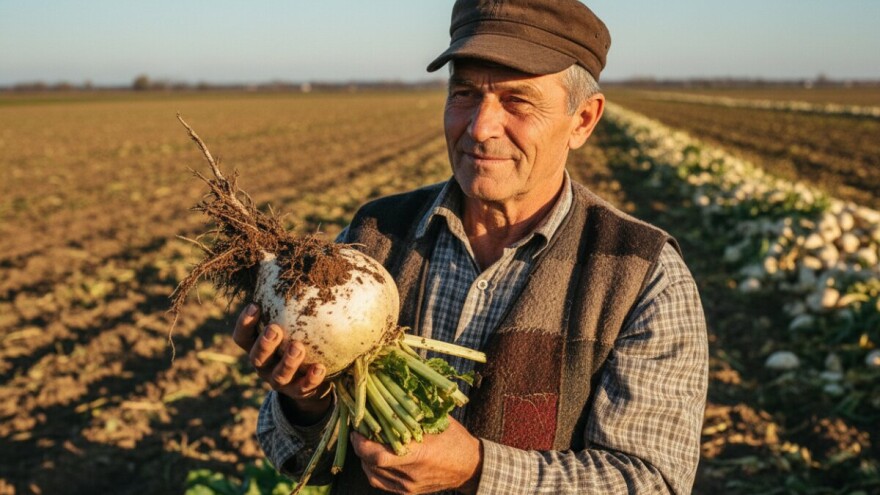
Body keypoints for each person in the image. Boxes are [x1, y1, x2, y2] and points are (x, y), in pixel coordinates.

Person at [232, 0, 709, 493]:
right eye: (464, 93)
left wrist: (477, 469)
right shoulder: (373, 236)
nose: (480, 128)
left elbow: (651, 482)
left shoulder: (642, 276)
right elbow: (286, 447)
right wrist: (308, 401)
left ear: (583, 120)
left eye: (518, 101)